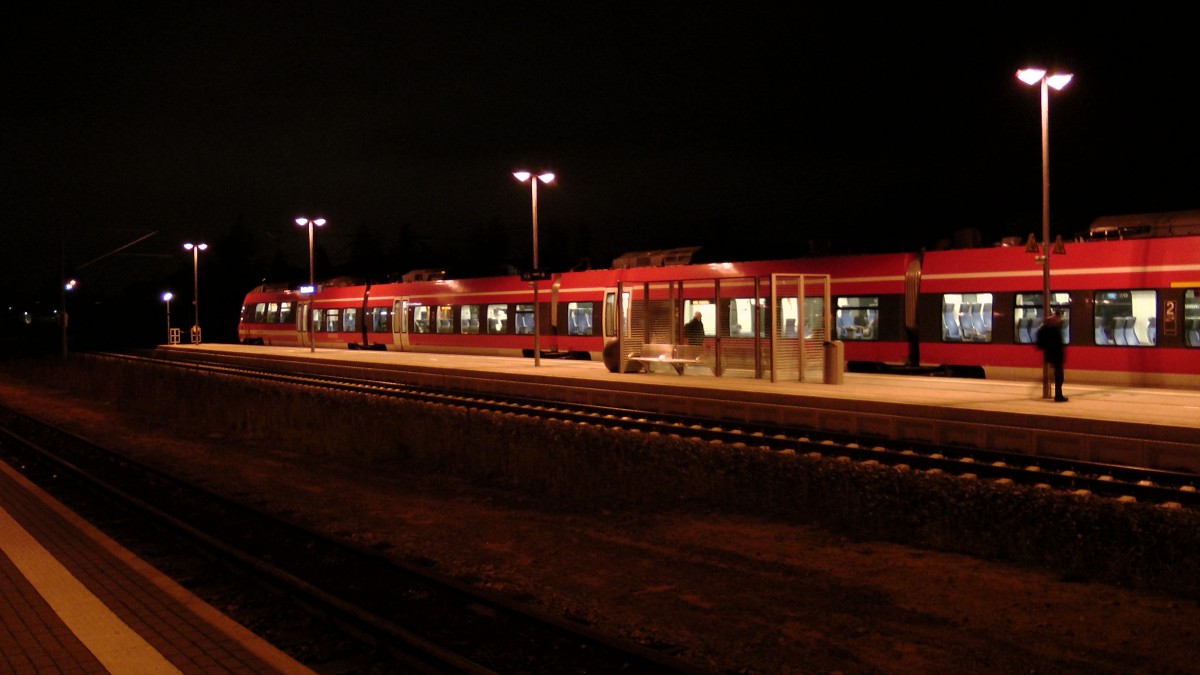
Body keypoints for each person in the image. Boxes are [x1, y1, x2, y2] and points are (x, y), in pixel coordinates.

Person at [1035, 312, 1068, 402]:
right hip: (1055, 355)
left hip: (1054, 354)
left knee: (1059, 376)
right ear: (1055, 319)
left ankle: (1058, 394)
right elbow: (1055, 343)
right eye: (1058, 319)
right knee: (1059, 377)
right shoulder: (1051, 329)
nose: (1060, 320)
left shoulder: (1050, 328)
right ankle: (1058, 396)